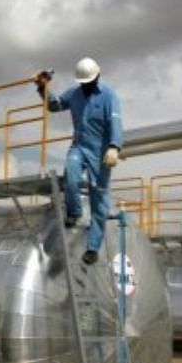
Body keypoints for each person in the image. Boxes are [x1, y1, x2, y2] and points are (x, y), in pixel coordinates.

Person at [34, 57, 123, 265]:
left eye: (89, 81)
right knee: (71, 175)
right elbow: (54, 106)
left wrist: (114, 147)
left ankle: (92, 248)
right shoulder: (74, 94)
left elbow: (115, 122)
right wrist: (42, 87)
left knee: (99, 199)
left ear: (98, 76)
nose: (86, 85)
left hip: (100, 151)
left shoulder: (109, 95)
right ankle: (74, 212)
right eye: (84, 82)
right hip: (80, 146)